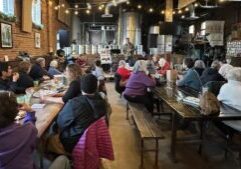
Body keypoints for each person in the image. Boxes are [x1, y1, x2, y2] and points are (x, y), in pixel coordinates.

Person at [0, 91, 70, 169]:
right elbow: (31, 126)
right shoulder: (28, 130)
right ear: (16, 110)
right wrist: (30, 111)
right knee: (63, 159)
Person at [56, 74, 107, 153]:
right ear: (96, 87)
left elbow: (61, 123)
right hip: (94, 139)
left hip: (76, 141)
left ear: (81, 88)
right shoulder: (102, 101)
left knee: (52, 133)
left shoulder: (74, 103)